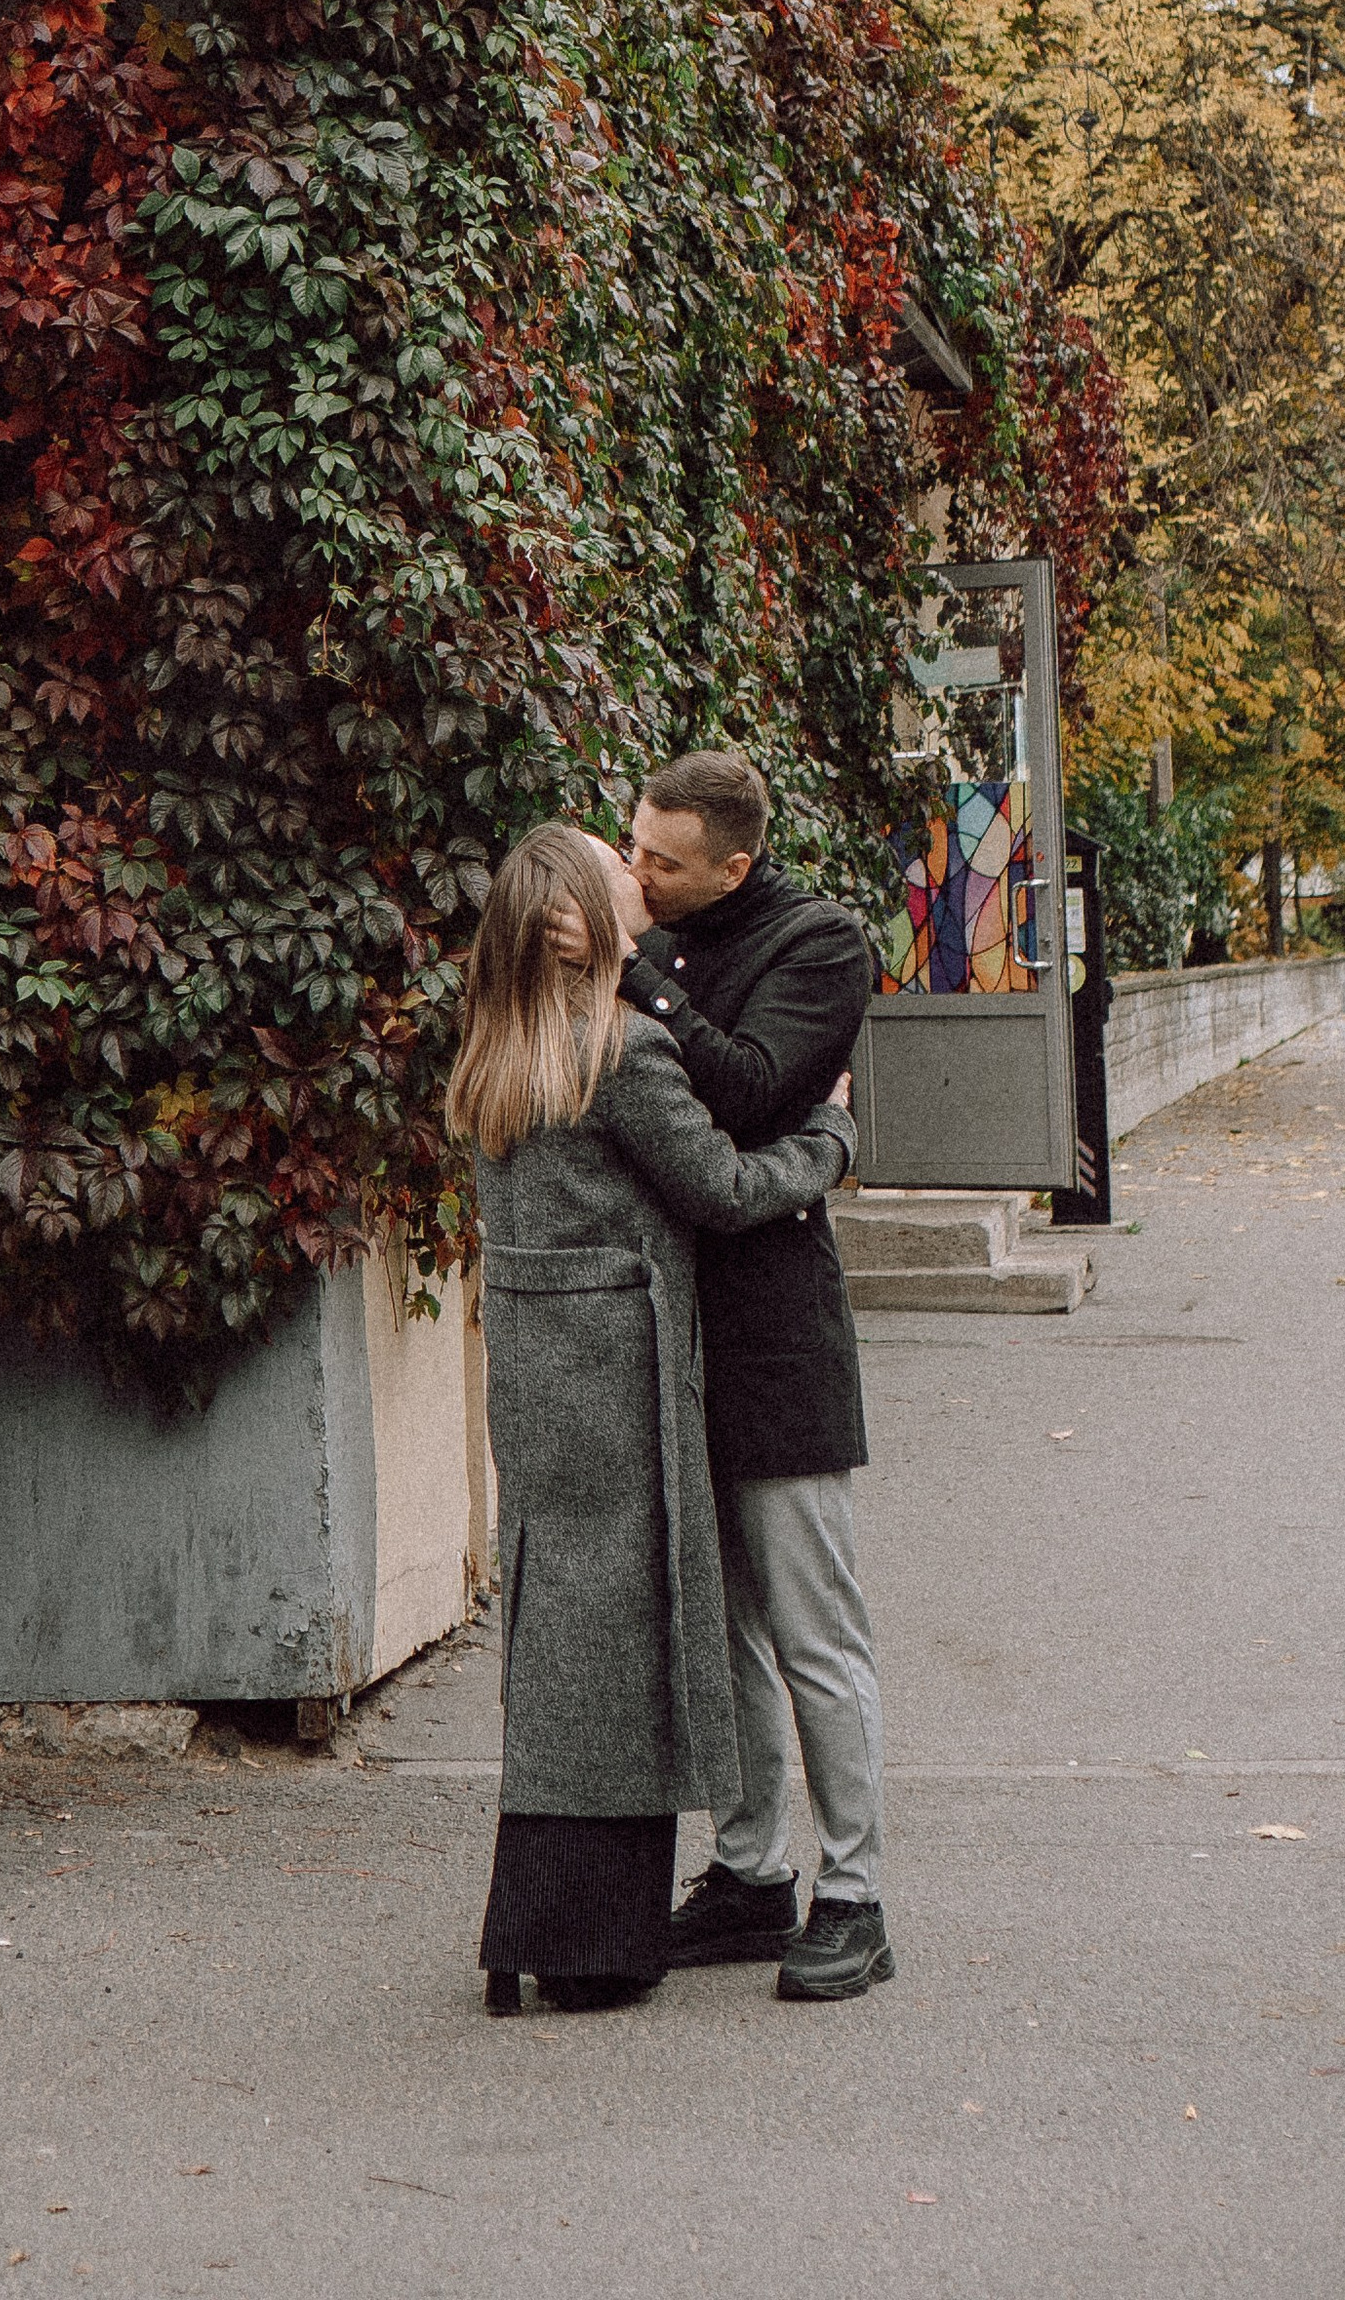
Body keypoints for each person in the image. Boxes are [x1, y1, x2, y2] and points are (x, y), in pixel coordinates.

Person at [449, 821, 857, 2016]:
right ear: (581, 915)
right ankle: (590, 1936)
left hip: (536, 1374)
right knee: (630, 1632)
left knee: (557, 1620)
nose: (640, 878)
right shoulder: (620, 1050)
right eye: (617, 865)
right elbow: (726, 1190)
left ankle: (546, 1919)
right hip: (624, 1373)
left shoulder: (494, 1048)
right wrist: (828, 1137)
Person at [618, 746, 894, 2002]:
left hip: (777, 1334)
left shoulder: (820, 943)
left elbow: (747, 1095)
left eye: (659, 863)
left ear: (732, 864)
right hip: (670, 1333)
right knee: (716, 1631)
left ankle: (855, 1896)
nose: (635, 875)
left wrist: (633, 982)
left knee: (812, 1633)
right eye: (632, 848)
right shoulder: (665, 931)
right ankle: (746, 1875)